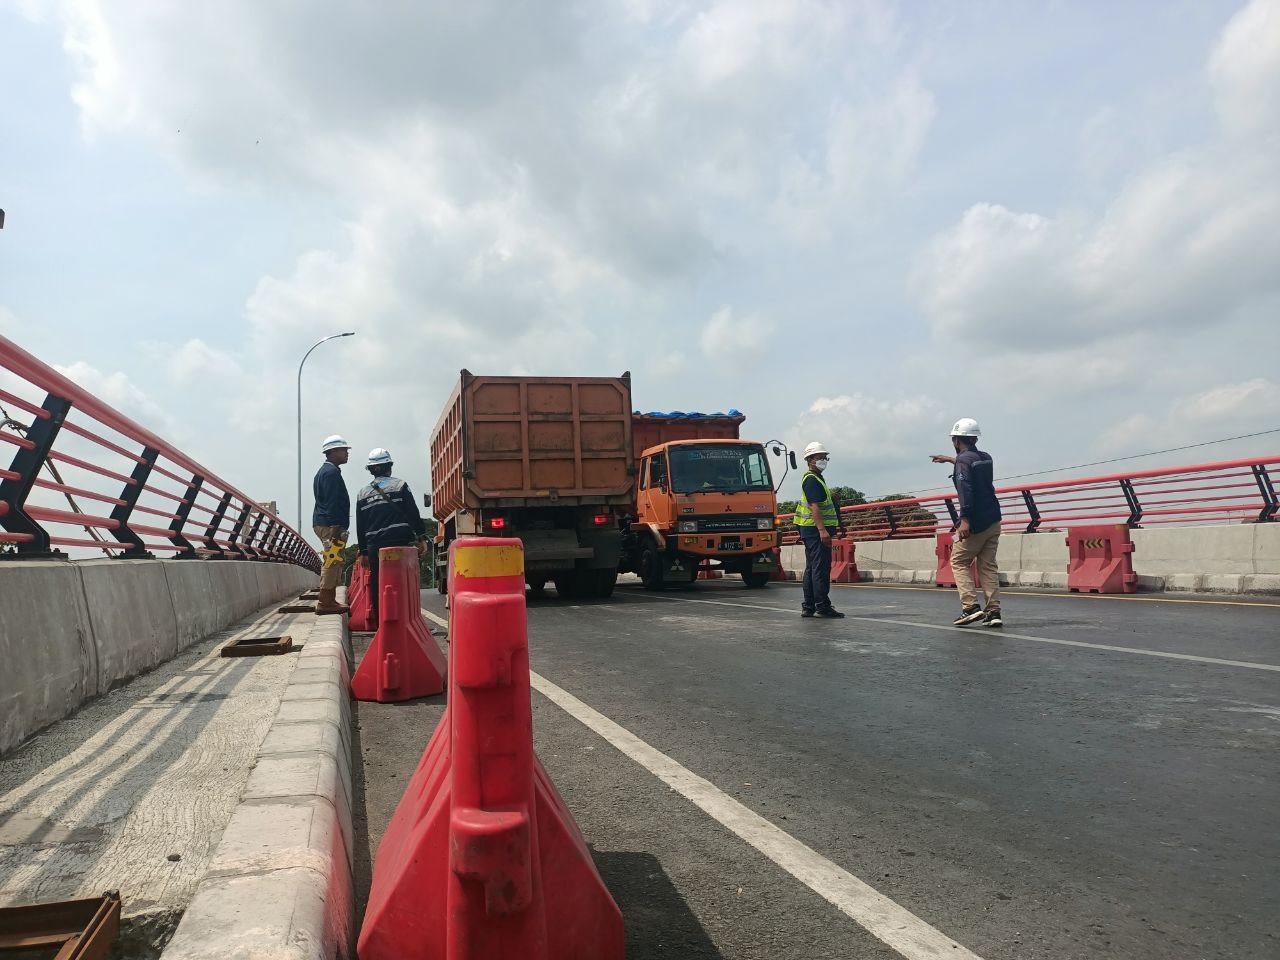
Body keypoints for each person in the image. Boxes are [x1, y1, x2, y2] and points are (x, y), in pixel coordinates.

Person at [931, 418, 1002, 627]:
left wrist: (965, 520)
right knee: (988, 566)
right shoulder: (986, 458)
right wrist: (950, 460)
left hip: (975, 521)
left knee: (959, 561)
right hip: (994, 519)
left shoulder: (963, 461)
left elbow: (966, 491)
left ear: (956, 440)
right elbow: (969, 465)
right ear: (975, 439)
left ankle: (970, 607)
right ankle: (994, 612)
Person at [355, 448, 428, 620]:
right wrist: (422, 536)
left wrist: (363, 551)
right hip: (400, 540)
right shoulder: (400, 485)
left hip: (374, 545)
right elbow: (413, 513)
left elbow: (360, 525)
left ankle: (381, 622)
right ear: (389, 466)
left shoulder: (362, 493)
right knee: (404, 580)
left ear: (371, 469)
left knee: (377, 582)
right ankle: (406, 619)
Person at [792, 441, 845, 619]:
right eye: (819, 457)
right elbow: (814, 506)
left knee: (812, 568)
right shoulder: (812, 480)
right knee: (820, 569)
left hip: (810, 531)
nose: (823, 460)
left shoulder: (816, 478)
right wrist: (822, 530)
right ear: (809, 460)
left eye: (825, 458)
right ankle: (822, 606)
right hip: (816, 531)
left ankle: (809, 606)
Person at [312, 434, 351, 615]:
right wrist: (335, 526)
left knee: (335, 560)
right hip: (330, 525)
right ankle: (325, 602)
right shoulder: (331, 473)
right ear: (333, 451)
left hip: (325, 523)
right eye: (343, 450)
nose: (347, 453)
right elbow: (332, 501)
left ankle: (329, 600)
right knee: (332, 561)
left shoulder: (325, 471)